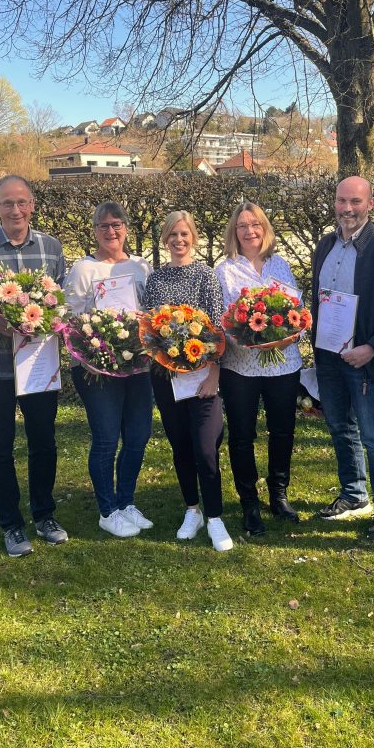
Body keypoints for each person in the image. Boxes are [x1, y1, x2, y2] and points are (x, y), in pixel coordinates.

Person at [0, 175, 68, 557]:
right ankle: (11, 523)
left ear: (33, 204)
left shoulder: (52, 248)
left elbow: (61, 304)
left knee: (44, 443)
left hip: (39, 364)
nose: (16, 210)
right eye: (7, 203)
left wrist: (47, 321)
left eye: (22, 202)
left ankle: (45, 514)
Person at [311, 177, 374, 540]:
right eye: (342, 201)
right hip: (328, 358)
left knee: (373, 435)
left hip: (366, 360)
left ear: (370, 204)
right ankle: (355, 495)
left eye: (356, 201)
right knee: (340, 428)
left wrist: (371, 347)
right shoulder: (324, 245)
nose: (347, 209)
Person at [143, 210, 233, 552]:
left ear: (193, 237)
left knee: (205, 449)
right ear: (165, 239)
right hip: (165, 378)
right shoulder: (155, 279)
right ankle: (192, 510)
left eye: (184, 234)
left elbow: (218, 329)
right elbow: (150, 331)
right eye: (172, 235)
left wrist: (214, 374)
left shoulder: (205, 276)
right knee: (180, 446)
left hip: (202, 380)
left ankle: (215, 518)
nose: (179, 241)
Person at [64, 202, 154, 539]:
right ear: (94, 231)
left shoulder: (140, 267)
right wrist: (92, 352)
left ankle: (126, 501)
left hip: (137, 366)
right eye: (103, 226)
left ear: (126, 228)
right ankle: (107, 509)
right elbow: (70, 321)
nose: (111, 231)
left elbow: (149, 311)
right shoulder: (83, 269)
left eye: (116, 224)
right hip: (96, 371)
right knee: (105, 439)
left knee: (138, 436)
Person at [215, 202, 302, 536]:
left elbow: (299, 310)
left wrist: (288, 335)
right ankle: (249, 501)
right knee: (241, 435)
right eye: (242, 226)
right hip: (241, 367)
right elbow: (223, 319)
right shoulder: (225, 270)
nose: (249, 231)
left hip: (284, 364)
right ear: (234, 232)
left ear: (265, 229)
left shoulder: (280, 265)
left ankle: (279, 494)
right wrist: (249, 339)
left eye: (255, 224)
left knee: (282, 431)